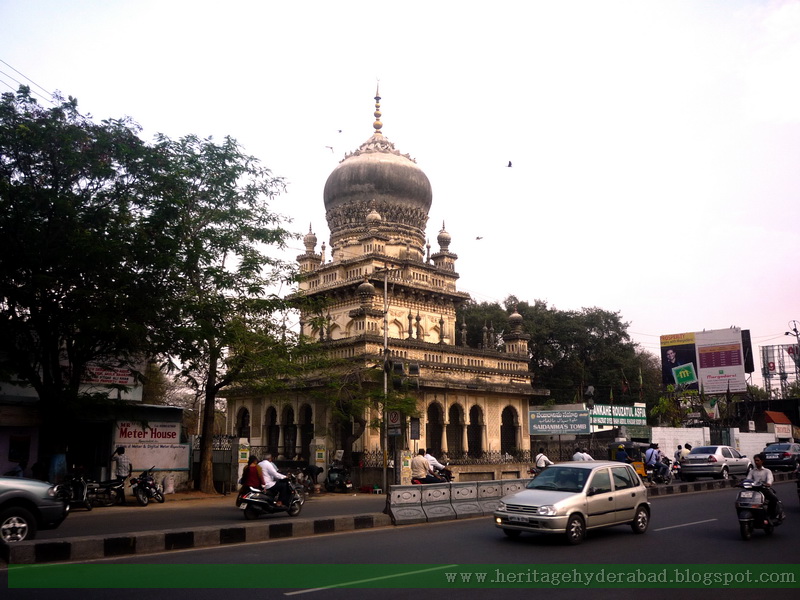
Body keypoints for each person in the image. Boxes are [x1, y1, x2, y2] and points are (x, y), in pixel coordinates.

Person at [747, 453, 782, 518]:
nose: (756, 462)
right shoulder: (752, 471)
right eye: (755, 461)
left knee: (774, 499)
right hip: (753, 490)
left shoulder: (767, 471)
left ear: (762, 461)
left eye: (758, 460)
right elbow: (748, 479)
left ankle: (771, 515)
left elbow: (770, 479)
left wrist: (768, 483)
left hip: (764, 489)